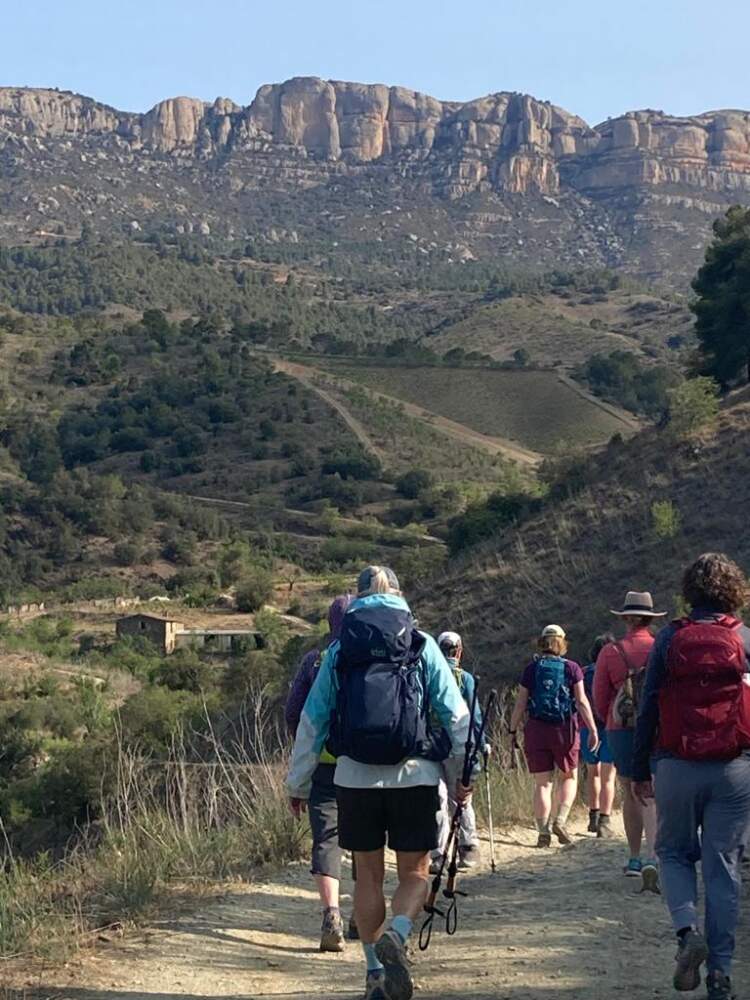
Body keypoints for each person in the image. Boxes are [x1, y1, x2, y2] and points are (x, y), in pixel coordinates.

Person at [286, 566, 472, 1000]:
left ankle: (374, 973)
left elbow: (312, 722)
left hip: (354, 778)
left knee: (367, 878)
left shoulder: (339, 653)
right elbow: (455, 714)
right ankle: (399, 934)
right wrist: (466, 770)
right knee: (414, 874)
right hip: (416, 776)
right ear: (400, 597)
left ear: (358, 599)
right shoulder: (421, 645)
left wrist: (298, 783)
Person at [633, 553, 750, 1000]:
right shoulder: (743, 637)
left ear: (689, 591)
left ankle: (687, 934)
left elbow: (647, 707)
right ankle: (720, 974)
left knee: (675, 854)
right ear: (734, 591)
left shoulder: (669, 639)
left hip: (675, 763)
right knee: (724, 867)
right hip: (734, 768)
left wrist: (638, 766)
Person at [285, 594, 352, 951]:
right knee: (366, 840)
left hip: (325, 767)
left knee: (327, 840)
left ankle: (331, 913)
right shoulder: (376, 659)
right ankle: (365, 913)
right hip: (366, 765)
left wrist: (301, 763)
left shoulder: (315, 662)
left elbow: (294, 714)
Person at [593, 590, 665, 890]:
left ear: (625, 619)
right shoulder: (662, 646)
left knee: (628, 788)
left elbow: (599, 697)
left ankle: (634, 858)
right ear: (650, 619)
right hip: (658, 727)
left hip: (621, 728)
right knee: (652, 790)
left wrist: (611, 718)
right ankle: (653, 856)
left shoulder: (611, 652)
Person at [509, 624, 599, 847]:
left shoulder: (531, 669)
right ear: (562, 643)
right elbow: (581, 701)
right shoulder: (572, 668)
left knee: (542, 783)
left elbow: (520, 704)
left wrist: (512, 730)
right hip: (564, 729)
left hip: (537, 729)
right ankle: (560, 820)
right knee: (569, 776)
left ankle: (543, 832)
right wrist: (592, 728)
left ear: (542, 642)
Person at [430, 630, 488, 873]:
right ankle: (468, 847)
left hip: (432, 746)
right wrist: (482, 742)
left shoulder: (430, 675)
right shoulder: (465, 679)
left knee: (439, 798)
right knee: (461, 796)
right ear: (459, 651)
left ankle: (437, 853)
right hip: (460, 746)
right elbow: (474, 715)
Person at [581, 632, 617, 838]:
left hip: (587, 726)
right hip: (610, 726)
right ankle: (605, 820)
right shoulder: (613, 670)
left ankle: (592, 816)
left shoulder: (584, 672)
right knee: (608, 776)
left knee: (592, 772)